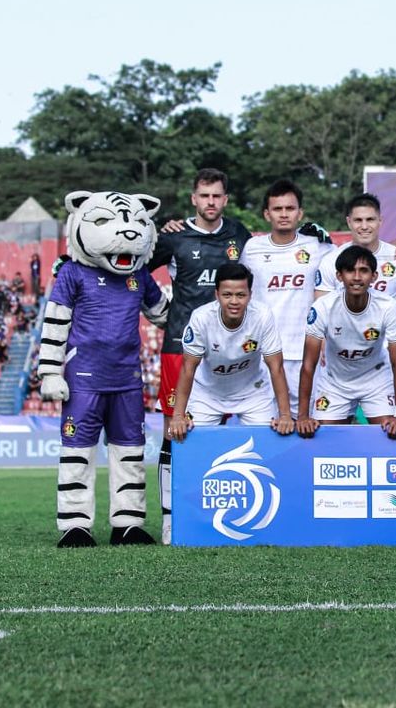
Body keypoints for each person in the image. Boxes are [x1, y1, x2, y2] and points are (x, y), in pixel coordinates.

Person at [148, 169, 253, 545]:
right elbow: (135, 273)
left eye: (217, 196)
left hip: (228, 349)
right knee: (174, 433)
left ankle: (214, 513)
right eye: (204, 195)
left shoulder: (239, 235)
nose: (210, 202)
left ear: (226, 199)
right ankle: (170, 518)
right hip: (180, 346)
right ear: (193, 199)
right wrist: (159, 312)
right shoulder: (173, 237)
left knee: (217, 434)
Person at [164, 263, 293, 442]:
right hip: (207, 394)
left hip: (253, 393)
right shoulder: (201, 318)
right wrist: (178, 416)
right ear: (216, 294)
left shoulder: (262, 315)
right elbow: (188, 368)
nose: (234, 301)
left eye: (240, 295)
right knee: (192, 441)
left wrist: (285, 415)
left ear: (250, 295)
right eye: (227, 295)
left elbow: (276, 367)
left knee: (267, 443)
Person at [239, 179, 334, 416]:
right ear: (266, 214)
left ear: (300, 213)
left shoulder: (319, 246)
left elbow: (357, 257)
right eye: (277, 209)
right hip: (263, 353)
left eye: (290, 208)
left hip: (305, 351)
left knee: (306, 423)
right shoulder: (252, 248)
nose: (284, 214)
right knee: (266, 423)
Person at [297, 246, 396, 439]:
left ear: (374, 277)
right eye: (350, 271)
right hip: (335, 382)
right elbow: (308, 365)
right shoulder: (322, 307)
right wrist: (303, 416)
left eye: (363, 271)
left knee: (392, 434)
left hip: (376, 379)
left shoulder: (388, 307)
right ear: (339, 276)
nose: (357, 277)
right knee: (325, 439)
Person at [314, 193, 396, 300]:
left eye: (370, 220)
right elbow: (322, 309)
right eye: (358, 220)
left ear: (380, 221)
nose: (364, 226)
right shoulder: (331, 261)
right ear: (349, 222)